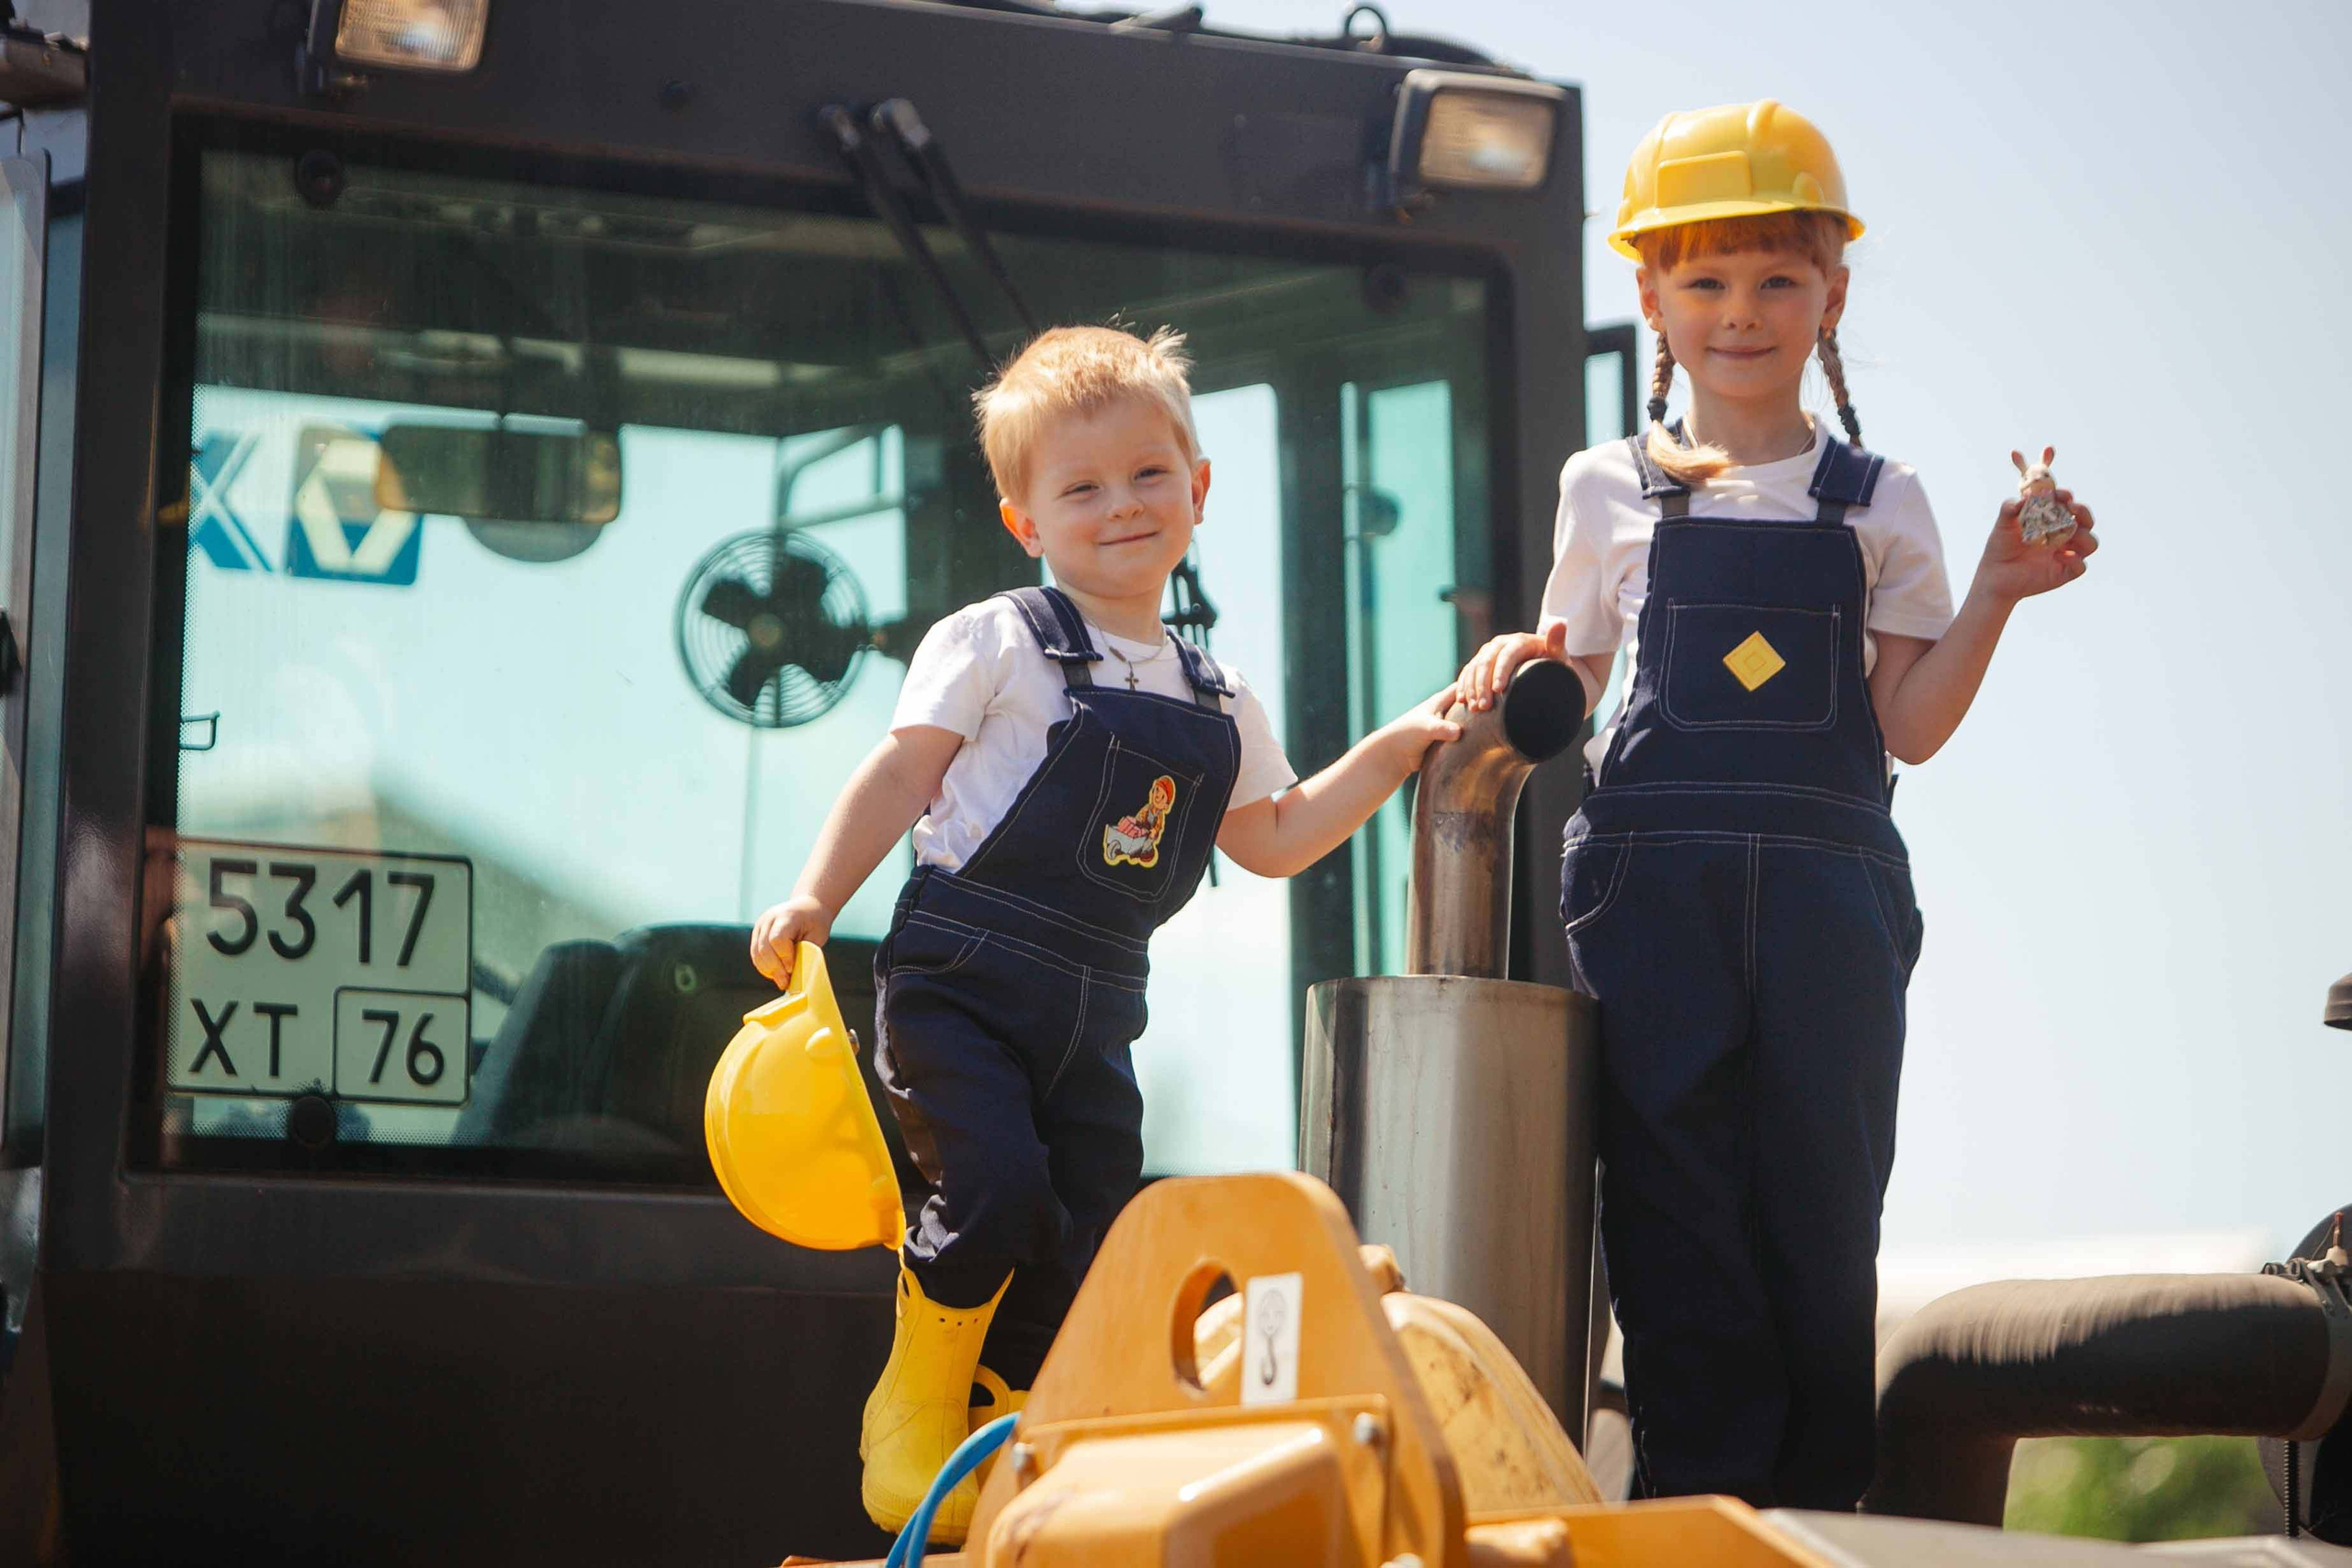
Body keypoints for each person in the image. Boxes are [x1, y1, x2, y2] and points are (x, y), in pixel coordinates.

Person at [1456, 100, 2099, 1509]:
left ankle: (1816, 1519)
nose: (1739, 313)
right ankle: (1694, 1510)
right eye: (1703, 282)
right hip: (1654, 903)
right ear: (1650, 298)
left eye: (1775, 281)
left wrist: (1994, 587)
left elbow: (1907, 731)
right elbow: (1571, 672)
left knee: (1822, 1217)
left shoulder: (1887, 502)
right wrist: (1513, 660)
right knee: (1675, 1215)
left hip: (1828, 903)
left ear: (1832, 295)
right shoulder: (1606, 490)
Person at [750, 323, 1459, 1540]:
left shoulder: (1215, 694)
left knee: (1089, 1228)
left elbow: (1277, 836)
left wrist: (1401, 745)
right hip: (959, 982)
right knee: (995, 1185)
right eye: (1081, 489)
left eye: (1147, 474)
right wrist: (817, 894)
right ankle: (915, 1402)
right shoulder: (996, 642)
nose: (1122, 506)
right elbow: (900, 774)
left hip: (1096, 1008)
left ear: (1198, 485)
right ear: (1027, 520)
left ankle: (1027, 1423)